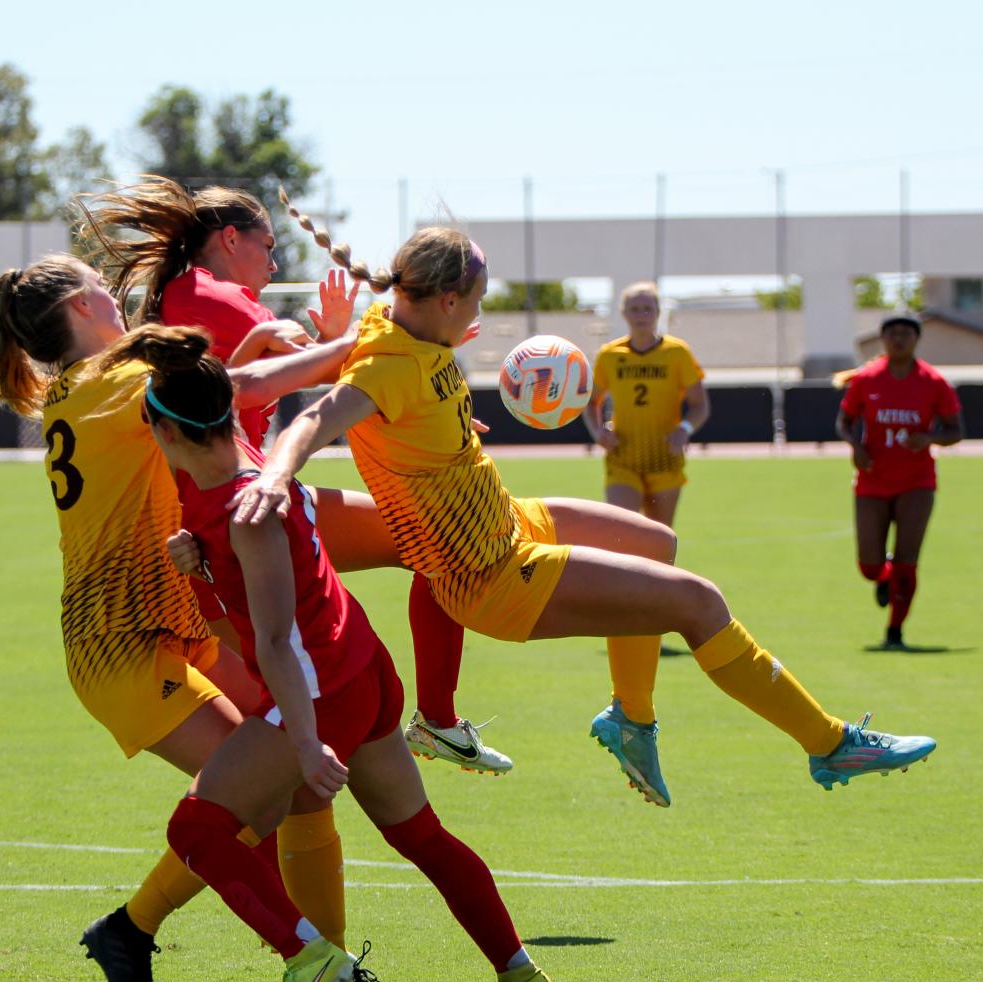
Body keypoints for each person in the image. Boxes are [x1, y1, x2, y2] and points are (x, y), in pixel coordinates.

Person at [234, 193, 938, 804]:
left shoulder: (403, 331)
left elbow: (374, 386)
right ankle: (829, 741)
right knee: (697, 602)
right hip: (491, 575)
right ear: (447, 299)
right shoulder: (389, 358)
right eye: (475, 303)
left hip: (505, 520)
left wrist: (440, 413)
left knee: (653, 541)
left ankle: (630, 720)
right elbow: (311, 419)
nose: (476, 316)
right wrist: (273, 473)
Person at [0, 254, 409, 982]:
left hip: (174, 618)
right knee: (257, 793)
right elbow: (239, 395)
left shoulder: (91, 385)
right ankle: (134, 929)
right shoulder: (110, 378)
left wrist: (289, 348)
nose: (114, 292)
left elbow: (218, 404)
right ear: (82, 302)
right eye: (100, 284)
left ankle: (331, 968)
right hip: (124, 643)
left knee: (297, 773)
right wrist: (361, 350)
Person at [132, 324, 552, 982]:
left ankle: (307, 956)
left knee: (196, 828)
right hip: (362, 667)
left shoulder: (245, 510)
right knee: (419, 833)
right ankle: (520, 972)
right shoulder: (237, 465)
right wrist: (200, 571)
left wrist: (302, 743)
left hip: (323, 689)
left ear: (167, 434)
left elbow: (269, 639)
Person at [78, 177, 511, 776]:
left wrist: (427, 395)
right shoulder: (214, 297)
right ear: (232, 239)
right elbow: (339, 375)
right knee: (429, 545)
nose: (276, 262)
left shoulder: (187, 294)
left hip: (221, 514)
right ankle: (433, 721)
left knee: (281, 726)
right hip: (241, 509)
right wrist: (384, 350)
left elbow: (346, 376)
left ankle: (409, 734)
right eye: (269, 245)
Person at [834, 316, 965, 650]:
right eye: (892, 334)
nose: (899, 340)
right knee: (869, 565)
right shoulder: (867, 380)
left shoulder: (933, 382)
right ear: (883, 340)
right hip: (872, 481)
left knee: (908, 560)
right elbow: (844, 422)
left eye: (906, 334)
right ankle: (884, 576)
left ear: (916, 340)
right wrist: (856, 445)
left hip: (917, 483)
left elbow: (955, 430)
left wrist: (930, 438)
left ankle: (895, 631)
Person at [583, 281, 709, 529]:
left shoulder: (677, 352)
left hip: (665, 458)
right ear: (623, 313)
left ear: (658, 312)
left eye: (647, 308)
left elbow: (700, 405)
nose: (641, 315)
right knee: (623, 532)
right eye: (634, 309)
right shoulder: (609, 355)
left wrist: (684, 428)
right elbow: (590, 402)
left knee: (658, 542)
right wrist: (598, 432)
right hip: (623, 457)